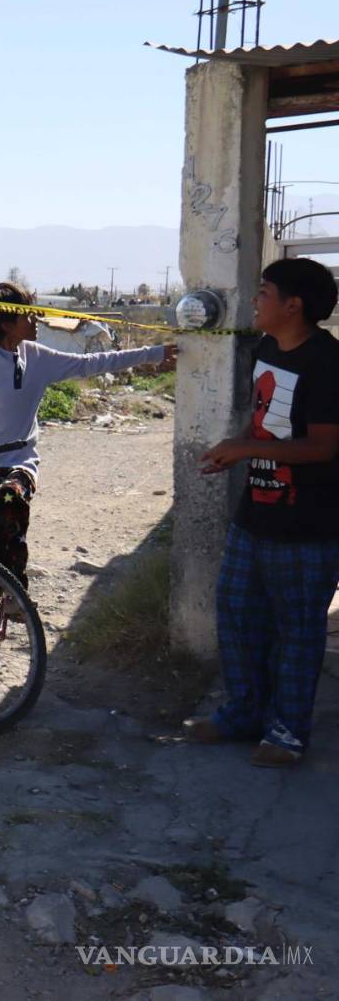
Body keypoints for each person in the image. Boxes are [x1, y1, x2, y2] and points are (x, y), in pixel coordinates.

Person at [0, 281, 174, 607]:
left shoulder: (37, 357)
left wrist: (154, 354)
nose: (36, 319)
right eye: (28, 314)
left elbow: (92, 363)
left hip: (19, 463)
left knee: (11, 497)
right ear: (6, 323)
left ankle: (9, 593)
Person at [187, 258, 339, 767]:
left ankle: (286, 733)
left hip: (309, 526)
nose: (254, 300)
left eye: (265, 292)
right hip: (255, 514)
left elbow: (322, 447)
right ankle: (243, 714)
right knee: (236, 612)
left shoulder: (327, 363)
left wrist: (245, 448)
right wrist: (234, 450)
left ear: (294, 305)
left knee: (298, 630)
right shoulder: (267, 349)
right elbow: (263, 423)